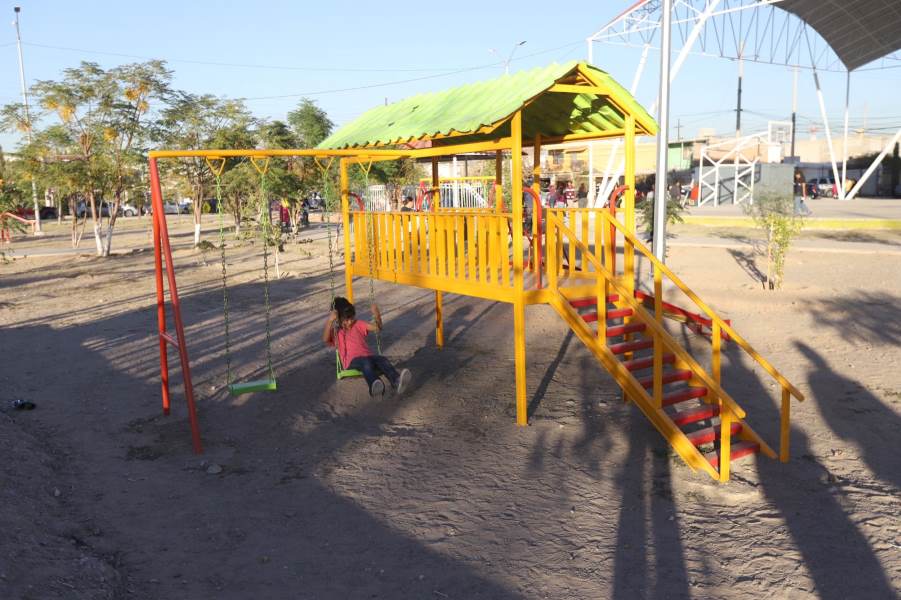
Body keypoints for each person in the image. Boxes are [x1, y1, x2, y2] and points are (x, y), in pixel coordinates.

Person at [323, 297, 411, 397]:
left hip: (368, 357)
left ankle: (396, 381)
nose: (350, 321)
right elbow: (325, 339)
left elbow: (378, 328)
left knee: (382, 359)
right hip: (352, 362)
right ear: (338, 319)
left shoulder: (358, 324)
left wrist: (377, 315)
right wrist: (330, 321)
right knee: (366, 362)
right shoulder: (337, 332)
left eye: (351, 317)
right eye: (346, 320)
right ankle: (375, 386)